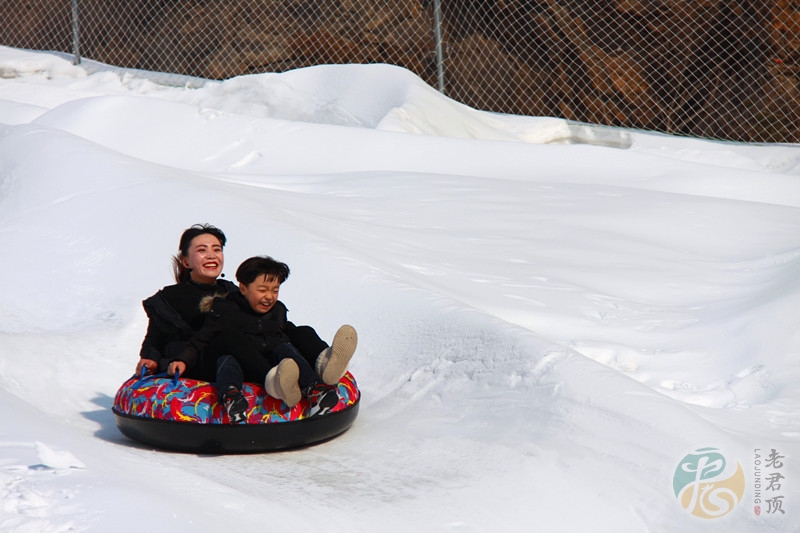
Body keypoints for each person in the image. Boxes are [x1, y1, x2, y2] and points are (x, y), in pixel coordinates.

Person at [203, 256, 357, 420]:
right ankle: (234, 398)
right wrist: (181, 358)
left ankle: (321, 374)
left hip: (279, 365)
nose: (269, 296)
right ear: (243, 288)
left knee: (296, 337)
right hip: (251, 367)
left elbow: (287, 332)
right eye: (262, 290)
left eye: (275, 290)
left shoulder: (277, 311)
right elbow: (202, 338)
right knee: (228, 359)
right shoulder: (227, 312)